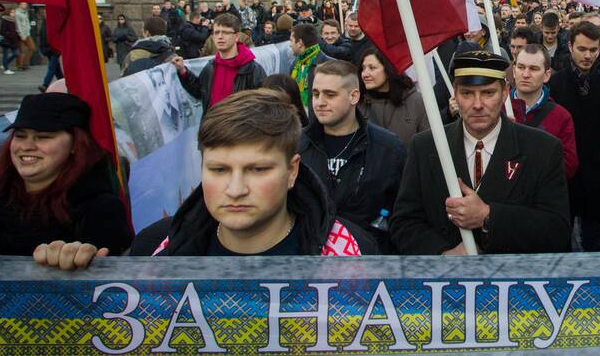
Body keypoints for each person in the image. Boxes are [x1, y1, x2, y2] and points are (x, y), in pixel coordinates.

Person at [118, 89, 374, 259]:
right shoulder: (154, 246)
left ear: (292, 170)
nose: (236, 189)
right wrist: (82, 273)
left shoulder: (355, 252)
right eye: (219, 170)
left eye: (258, 169)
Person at [390, 50, 571, 255]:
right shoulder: (425, 147)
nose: (477, 105)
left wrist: (488, 216)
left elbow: (557, 230)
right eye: (467, 93)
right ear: (455, 94)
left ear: (504, 93)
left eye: (488, 93)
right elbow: (403, 223)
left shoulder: (542, 149)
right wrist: (443, 252)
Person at [0, 93, 132, 261]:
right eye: (20, 135)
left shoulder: (100, 209)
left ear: (75, 145)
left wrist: (82, 260)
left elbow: (114, 278)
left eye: (43, 137)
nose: (27, 146)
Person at [300, 60, 405, 249]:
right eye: (315, 94)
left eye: (330, 95)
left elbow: (403, 213)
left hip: (370, 261)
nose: (320, 102)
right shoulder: (297, 145)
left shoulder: (388, 148)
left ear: (353, 96)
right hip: (309, 260)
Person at [548, 21, 600, 251]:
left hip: (597, 180)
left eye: (593, 50)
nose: (588, 55)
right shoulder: (554, 85)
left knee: (595, 246)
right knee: (560, 244)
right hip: (563, 180)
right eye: (582, 49)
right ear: (570, 46)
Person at [510, 44, 578, 180]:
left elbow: (568, 167)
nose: (525, 74)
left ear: (547, 75)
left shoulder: (561, 117)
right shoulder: (497, 110)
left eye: (534, 69)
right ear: (513, 70)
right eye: (521, 67)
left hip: (540, 195)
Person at [173, 13, 266, 112]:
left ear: (237, 36)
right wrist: (183, 71)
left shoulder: (252, 69)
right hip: (211, 125)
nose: (220, 37)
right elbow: (200, 92)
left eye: (225, 32)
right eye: (216, 32)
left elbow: (262, 108)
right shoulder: (211, 67)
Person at [359, 48, 430, 147]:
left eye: (372, 68)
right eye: (363, 68)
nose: (365, 74)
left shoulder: (415, 101)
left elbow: (427, 144)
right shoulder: (358, 104)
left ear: (388, 70)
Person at [36, 7, 63, 92]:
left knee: (52, 67)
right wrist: (42, 48)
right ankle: (64, 82)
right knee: (56, 69)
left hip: (55, 49)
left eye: (47, 12)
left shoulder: (54, 23)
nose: (45, 14)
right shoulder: (44, 23)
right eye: (44, 12)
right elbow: (42, 37)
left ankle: (45, 84)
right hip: (47, 49)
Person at [0, 8, 20, 74]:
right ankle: (6, 69)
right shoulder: (5, 20)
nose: (13, 14)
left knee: (16, 54)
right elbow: (2, 31)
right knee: (5, 54)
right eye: (12, 12)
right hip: (6, 40)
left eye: (14, 12)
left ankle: (5, 64)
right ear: (8, 13)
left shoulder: (13, 20)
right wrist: (10, 35)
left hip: (13, 40)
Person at [14, 1, 35, 69]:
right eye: (23, 4)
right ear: (19, 5)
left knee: (32, 47)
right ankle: (20, 65)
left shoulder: (25, 12)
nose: (25, 5)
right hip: (20, 34)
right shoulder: (17, 13)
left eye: (25, 4)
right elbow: (18, 25)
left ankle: (25, 63)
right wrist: (21, 34)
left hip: (27, 33)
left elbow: (27, 22)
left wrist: (28, 31)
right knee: (20, 50)